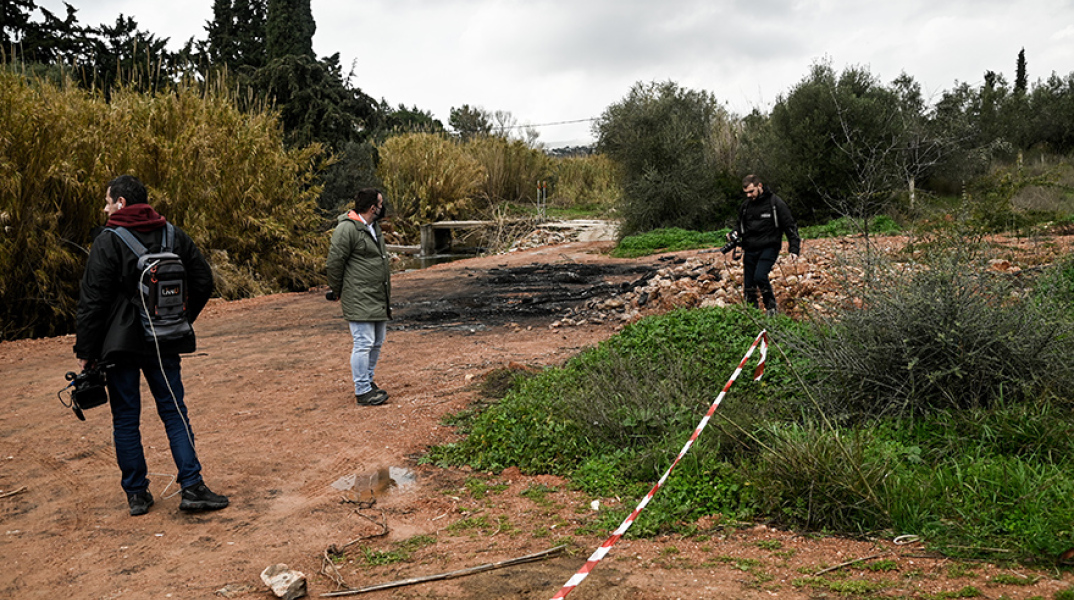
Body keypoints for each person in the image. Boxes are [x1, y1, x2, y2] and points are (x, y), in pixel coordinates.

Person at [74, 175, 229, 516]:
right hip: (165, 339)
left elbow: (92, 302)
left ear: (121, 203)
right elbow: (203, 280)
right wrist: (179, 318)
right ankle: (192, 487)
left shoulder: (108, 241)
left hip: (120, 346)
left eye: (107, 202)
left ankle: (137, 495)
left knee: (125, 418)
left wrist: (86, 353)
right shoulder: (172, 234)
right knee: (174, 411)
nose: (105, 208)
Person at [326, 188, 392, 406]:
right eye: (380, 204)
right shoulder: (346, 229)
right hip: (358, 295)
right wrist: (337, 290)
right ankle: (362, 390)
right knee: (363, 342)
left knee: (377, 342)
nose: (383, 207)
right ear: (373, 207)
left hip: (377, 295)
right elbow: (335, 262)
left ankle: (368, 381)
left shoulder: (373, 227)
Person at [729, 174, 801, 315]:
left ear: (760, 186)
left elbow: (790, 226)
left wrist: (794, 249)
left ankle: (771, 308)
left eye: (751, 191)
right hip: (750, 248)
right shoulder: (745, 206)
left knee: (760, 276)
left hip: (769, 247)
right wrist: (734, 233)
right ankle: (752, 313)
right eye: (746, 193)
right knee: (748, 285)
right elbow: (740, 226)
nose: (749, 195)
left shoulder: (775, 203)